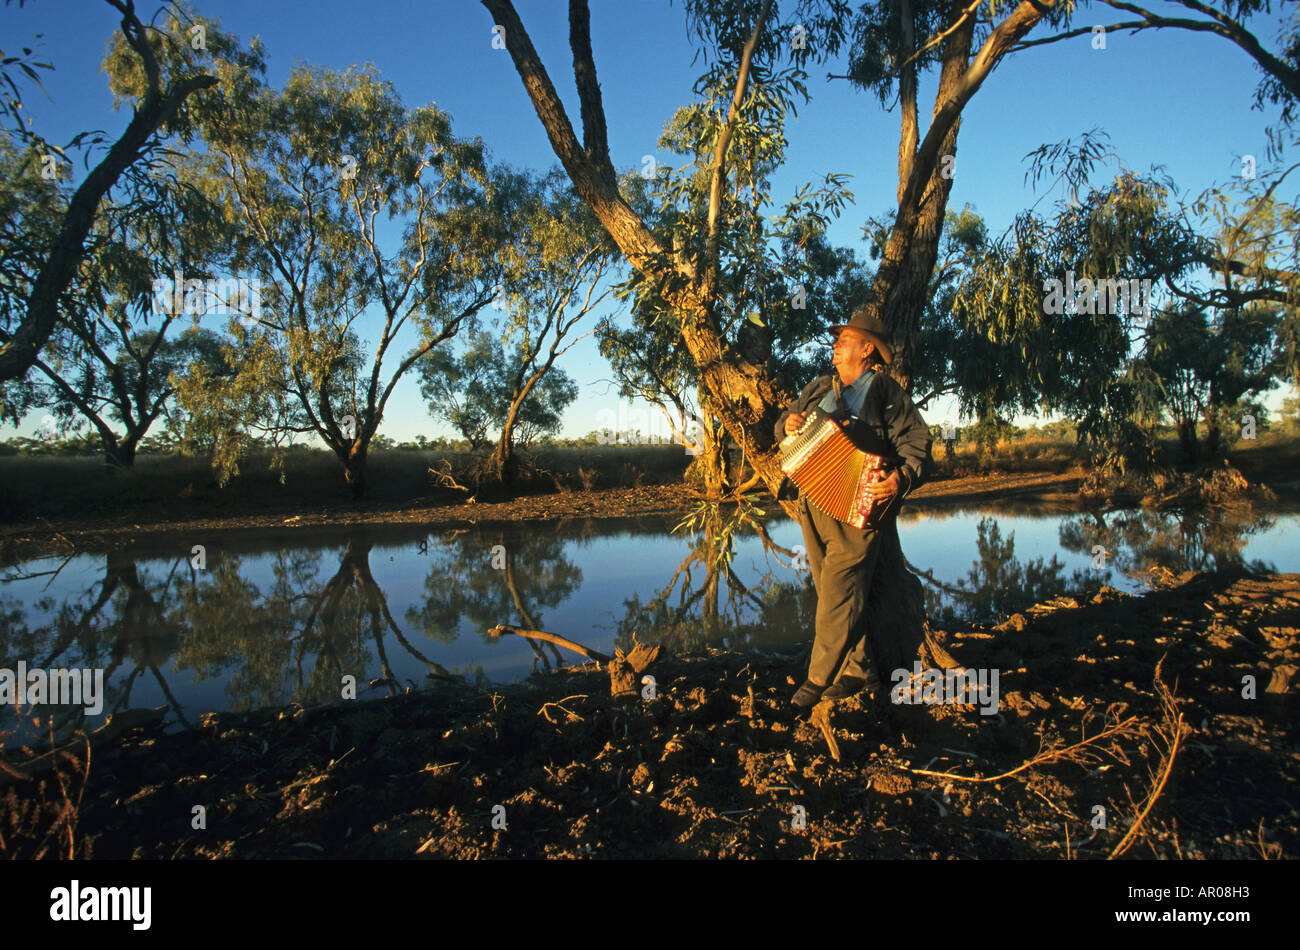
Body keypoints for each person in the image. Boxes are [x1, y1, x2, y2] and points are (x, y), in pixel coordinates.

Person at [773, 310, 932, 709]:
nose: (836, 343)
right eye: (837, 338)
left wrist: (899, 479)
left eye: (845, 338)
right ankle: (860, 669)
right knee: (834, 587)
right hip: (814, 500)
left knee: (839, 589)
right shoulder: (817, 388)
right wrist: (788, 424)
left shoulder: (884, 391)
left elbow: (917, 441)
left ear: (867, 349)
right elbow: (782, 426)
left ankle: (815, 679)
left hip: (859, 506)